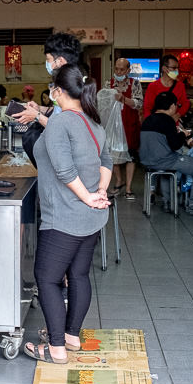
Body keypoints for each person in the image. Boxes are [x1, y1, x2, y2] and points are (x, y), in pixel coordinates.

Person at [23, 64, 112, 364]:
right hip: (90, 216)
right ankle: (71, 335)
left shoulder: (62, 123)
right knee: (78, 275)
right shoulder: (92, 122)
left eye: (52, 88)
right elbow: (106, 161)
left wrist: (88, 196)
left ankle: (56, 348)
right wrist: (99, 193)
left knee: (46, 278)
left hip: (64, 216)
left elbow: (64, 170)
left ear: (58, 91)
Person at [12, 32, 83, 166]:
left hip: (67, 159)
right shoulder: (63, 81)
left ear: (60, 61)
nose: (47, 64)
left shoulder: (74, 85)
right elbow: (59, 111)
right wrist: (41, 109)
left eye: (48, 59)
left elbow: (66, 129)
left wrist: (37, 116)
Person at [139, 92, 193, 215]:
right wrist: (183, 134)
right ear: (172, 106)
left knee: (168, 172)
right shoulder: (168, 120)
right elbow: (176, 145)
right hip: (165, 160)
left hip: (147, 161)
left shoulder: (147, 120)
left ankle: (168, 203)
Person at [106, 57, 142, 201]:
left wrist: (124, 99)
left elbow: (139, 103)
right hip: (114, 125)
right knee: (113, 156)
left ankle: (128, 187)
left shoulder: (135, 84)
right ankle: (119, 180)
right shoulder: (109, 83)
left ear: (128, 70)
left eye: (122, 69)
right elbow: (104, 102)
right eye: (116, 69)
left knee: (130, 156)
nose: (118, 72)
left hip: (129, 124)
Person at [142, 54, 189, 120]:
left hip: (173, 124)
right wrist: (150, 123)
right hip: (156, 124)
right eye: (174, 68)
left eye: (177, 68)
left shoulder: (180, 86)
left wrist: (177, 115)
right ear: (164, 68)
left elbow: (185, 103)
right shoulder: (153, 86)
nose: (177, 71)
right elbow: (147, 108)